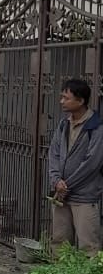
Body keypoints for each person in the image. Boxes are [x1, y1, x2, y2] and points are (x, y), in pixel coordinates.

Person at [48, 78, 103, 254]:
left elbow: (92, 162)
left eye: (66, 98)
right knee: (59, 242)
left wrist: (67, 185)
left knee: (89, 246)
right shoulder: (64, 123)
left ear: (80, 100)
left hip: (84, 196)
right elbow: (54, 153)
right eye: (62, 97)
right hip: (61, 195)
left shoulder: (96, 127)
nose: (61, 101)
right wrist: (56, 181)